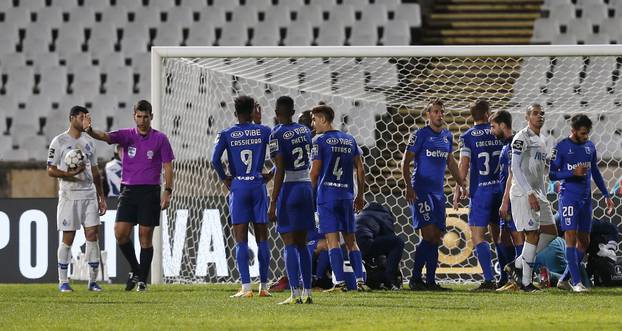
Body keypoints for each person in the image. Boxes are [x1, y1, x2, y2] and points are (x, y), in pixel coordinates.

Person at [82, 100, 174, 292]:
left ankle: (142, 280)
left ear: (151, 116)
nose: (142, 120)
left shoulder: (160, 139)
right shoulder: (126, 136)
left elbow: (167, 166)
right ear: (134, 116)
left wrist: (168, 191)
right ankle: (135, 269)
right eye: (139, 116)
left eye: (145, 116)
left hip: (150, 191)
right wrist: (90, 131)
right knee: (120, 233)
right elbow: (105, 136)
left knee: (145, 238)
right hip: (129, 191)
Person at [401, 99, 466, 291]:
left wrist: (461, 183)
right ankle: (414, 279)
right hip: (421, 190)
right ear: (428, 114)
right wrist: (408, 186)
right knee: (428, 234)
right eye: (436, 111)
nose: (439, 115)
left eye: (442, 112)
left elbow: (451, 162)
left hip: (438, 192)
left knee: (437, 236)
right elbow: (406, 161)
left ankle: (430, 281)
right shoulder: (420, 135)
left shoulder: (447, 136)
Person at [211, 95, 272, 298]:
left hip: (238, 187)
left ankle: (246, 287)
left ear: (235, 113)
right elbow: (279, 155)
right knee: (263, 238)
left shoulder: (226, 133)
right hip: (258, 185)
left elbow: (214, 159)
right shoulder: (264, 131)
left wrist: (225, 178)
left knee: (241, 240)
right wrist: (270, 173)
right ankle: (264, 287)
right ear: (253, 111)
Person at [549, 114, 614, 292]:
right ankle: (576, 283)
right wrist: (572, 173)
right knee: (570, 238)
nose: (586, 136)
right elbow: (552, 175)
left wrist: (606, 194)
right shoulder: (561, 147)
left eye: (587, 133)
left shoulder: (590, 146)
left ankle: (563, 280)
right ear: (573, 131)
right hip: (568, 197)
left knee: (584, 242)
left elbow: (595, 172)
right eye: (583, 133)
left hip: (586, 200)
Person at [47, 105, 106, 292]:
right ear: (72, 118)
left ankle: (93, 281)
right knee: (68, 237)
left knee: (92, 235)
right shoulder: (59, 141)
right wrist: (70, 174)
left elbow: (96, 171)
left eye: (86, 117)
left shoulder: (89, 142)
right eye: (81, 117)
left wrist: (101, 196)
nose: (84, 120)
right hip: (68, 194)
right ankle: (63, 281)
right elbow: (50, 169)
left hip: (89, 194)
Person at [310, 104, 367, 292]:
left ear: (323, 119)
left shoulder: (319, 141)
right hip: (346, 196)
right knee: (351, 242)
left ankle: (339, 283)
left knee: (332, 241)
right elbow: (360, 168)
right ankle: (360, 281)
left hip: (327, 196)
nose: (312, 124)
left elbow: (315, 172)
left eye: (314, 119)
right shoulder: (350, 140)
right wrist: (360, 195)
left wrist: (310, 195)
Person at [268, 96, 315, 304]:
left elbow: (279, 169)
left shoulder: (276, 134)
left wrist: (272, 201)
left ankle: (294, 293)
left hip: (289, 188)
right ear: (293, 111)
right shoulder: (305, 131)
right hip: (306, 187)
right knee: (303, 243)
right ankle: (308, 292)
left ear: (277, 113)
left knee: (289, 243)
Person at [454, 100, 505, 290]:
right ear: (486, 114)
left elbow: (463, 164)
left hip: (481, 192)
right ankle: (505, 277)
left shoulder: (468, 136)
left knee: (478, 236)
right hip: (500, 190)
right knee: (499, 235)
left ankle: (489, 279)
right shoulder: (497, 132)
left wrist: (459, 188)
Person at [507, 104, 558, 292]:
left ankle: (517, 264)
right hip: (523, 193)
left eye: (542, 113)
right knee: (532, 235)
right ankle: (526, 283)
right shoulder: (521, 137)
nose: (539, 116)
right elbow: (515, 168)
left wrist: (542, 193)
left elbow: (541, 170)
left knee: (551, 231)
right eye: (535, 113)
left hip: (539, 193)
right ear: (527, 116)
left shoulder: (543, 140)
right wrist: (529, 193)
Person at [489, 110, 525, 291]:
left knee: (517, 235)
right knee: (503, 239)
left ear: (503, 125)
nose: (491, 130)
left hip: (513, 198)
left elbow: (512, 175)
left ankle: (521, 280)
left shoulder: (514, 145)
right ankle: (509, 277)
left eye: (493, 126)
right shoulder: (505, 145)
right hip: (507, 197)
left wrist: (505, 201)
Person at [355, 202, 404, 290]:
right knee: (398, 242)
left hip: (348, 246)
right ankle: (389, 279)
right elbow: (390, 240)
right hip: (365, 243)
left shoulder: (360, 214)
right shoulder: (384, 216)